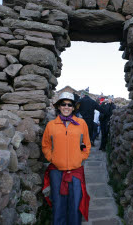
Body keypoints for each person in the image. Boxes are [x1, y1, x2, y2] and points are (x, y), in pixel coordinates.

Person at [42, 92, 91, 224]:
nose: (66, 107)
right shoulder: (51, 125)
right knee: (58, 205)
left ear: (74, 107)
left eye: (69, 104)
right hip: (57, 171)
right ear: (59, 106)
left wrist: (82, 156)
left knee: (75, 205)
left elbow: (86, 144)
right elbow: (45, 145)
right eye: (63, 104)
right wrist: (52, 158)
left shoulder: (81, 124)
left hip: (76, 171)